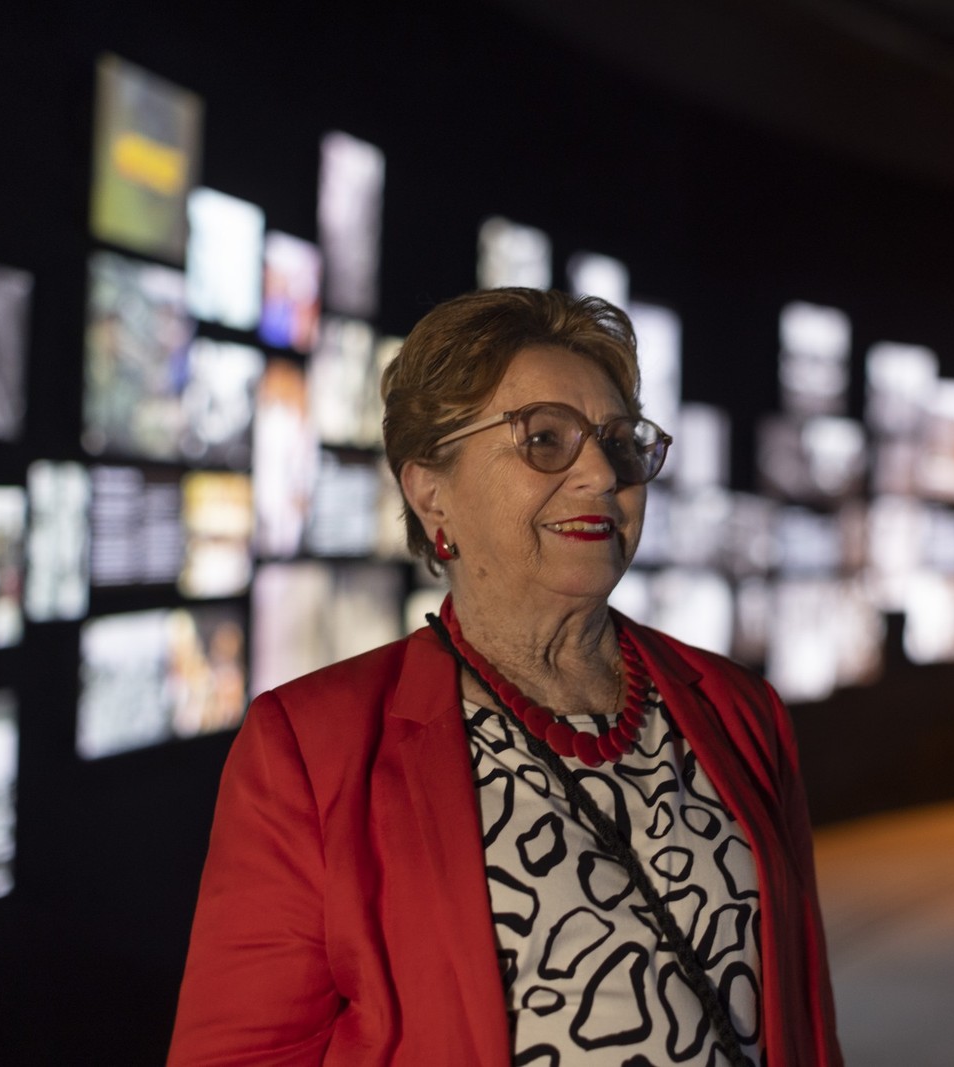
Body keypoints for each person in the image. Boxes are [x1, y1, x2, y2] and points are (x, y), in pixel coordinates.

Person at [168, 288, 842, 1066]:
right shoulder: (311, 749)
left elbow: (809, 1024)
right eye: (545, 438)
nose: (599, 472)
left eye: (620, 441)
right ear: (431, 493)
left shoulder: (737, 709)